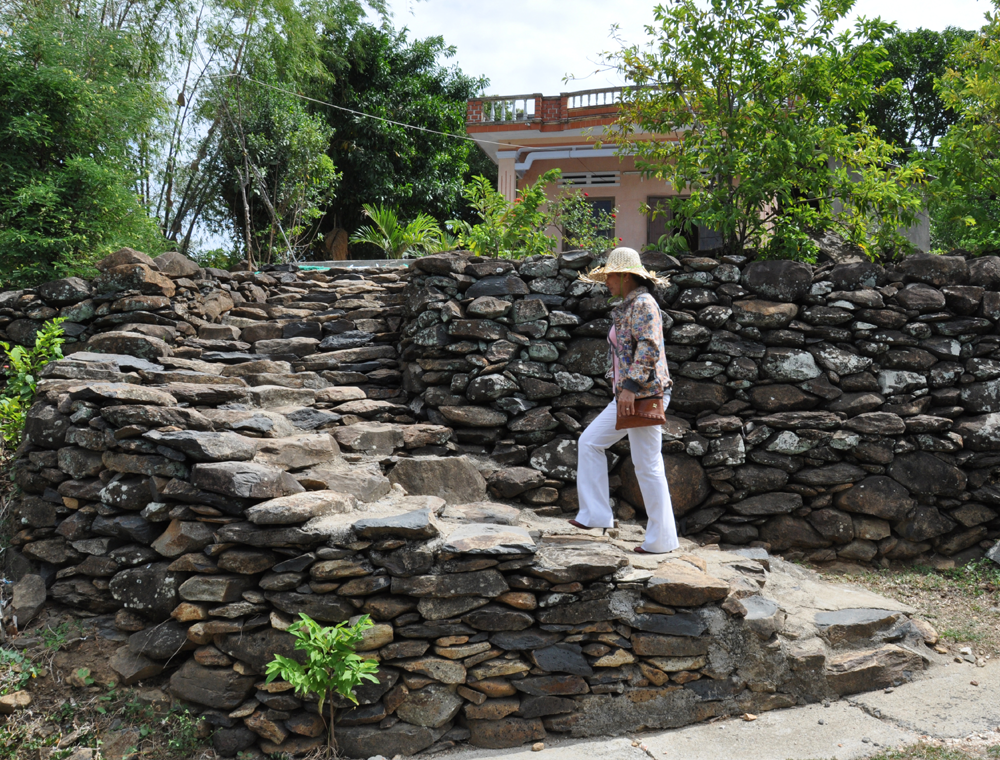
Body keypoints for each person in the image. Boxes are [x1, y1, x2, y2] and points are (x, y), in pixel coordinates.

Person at [569, 247, 679, 554]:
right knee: (590, 442)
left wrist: (630, 386)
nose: (606, 282)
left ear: (625, 276)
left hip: (642, 393)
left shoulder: (644, 304)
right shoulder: (629, 306)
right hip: (628, 394)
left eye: (609, 276)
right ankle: (594, 515)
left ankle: (662, 541)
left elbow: (649, 347)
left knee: (648, 465)